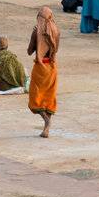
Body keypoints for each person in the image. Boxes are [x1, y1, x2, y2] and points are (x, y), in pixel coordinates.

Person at [27, 7, 59, 138]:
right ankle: (47, 125)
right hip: (52, 67)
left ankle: (46, 121)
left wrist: (34, 37)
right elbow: (55, 51)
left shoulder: (37, 32)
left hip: (40, 68)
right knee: (49, 97)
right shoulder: (56, 31)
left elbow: (29, 51)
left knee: (36, 98)